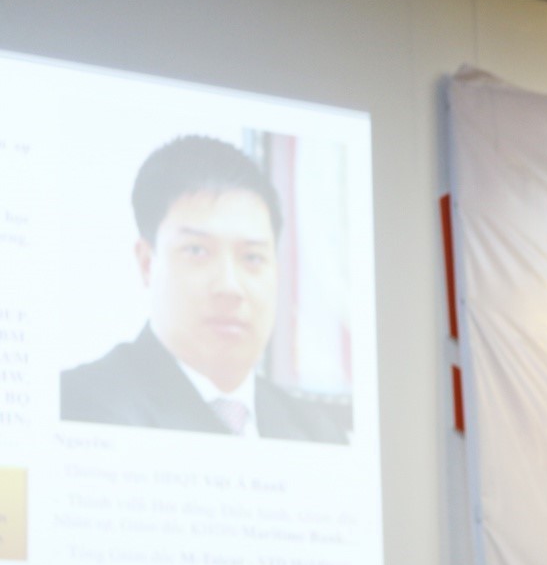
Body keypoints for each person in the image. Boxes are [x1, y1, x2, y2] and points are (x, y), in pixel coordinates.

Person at [60, 135, 348, 443]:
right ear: (146, 263)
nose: (230, 287)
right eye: (197, 251)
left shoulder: (318, 434)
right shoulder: (82, 405)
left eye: (252, 257)